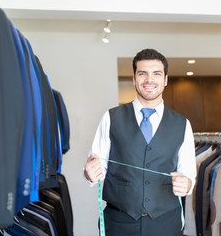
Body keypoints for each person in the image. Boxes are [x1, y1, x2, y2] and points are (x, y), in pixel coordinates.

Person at [84, 48, 197, 236]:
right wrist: (89, 173)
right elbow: (96, 165)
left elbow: (189, 173)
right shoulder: (110, 118)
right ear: (135, 79)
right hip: (119, 222)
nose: (149, 80)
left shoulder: (183, 124)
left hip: (166, 223)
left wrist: (187, 183)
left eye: (156, 74)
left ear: (166, 79)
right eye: (142, 73)